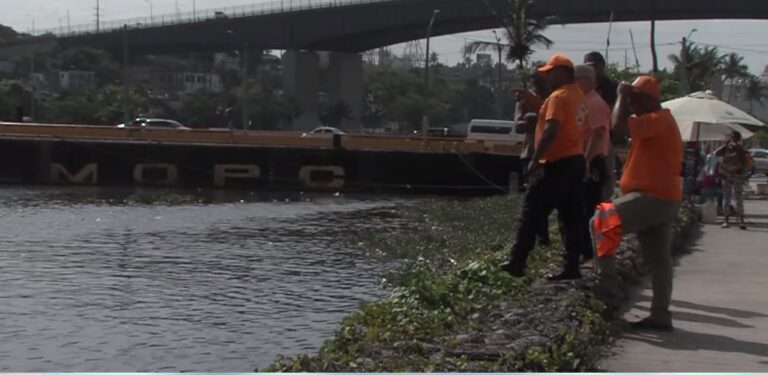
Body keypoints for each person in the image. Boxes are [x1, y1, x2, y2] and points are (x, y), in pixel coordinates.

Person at [607, 75, 683, 331]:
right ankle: (660, 315)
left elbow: (617, 129)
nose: (631, 105)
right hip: (664, 197)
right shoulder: (655, 120)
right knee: (659, 260)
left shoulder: (656, 120)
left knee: (602, 221)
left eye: (634, 99)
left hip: (652, 196)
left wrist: (620, 95)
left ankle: (608, 295)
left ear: (647, 100)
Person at [502, 53, 587, 281]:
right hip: (575, 161)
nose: (547, 77)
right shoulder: (577, 95)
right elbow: (554, 116)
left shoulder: (558, 97)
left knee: (532, 212)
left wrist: (536, 159)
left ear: (563, 73)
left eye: (550, 72)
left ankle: (516, 262)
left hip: (556, 163)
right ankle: (572, 266)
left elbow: (551, 130)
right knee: (570, 217)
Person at [575, 64, 612, 267]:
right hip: (586, 159)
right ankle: (584, 253)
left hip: (592, 161)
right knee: (581, 208)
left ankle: (590, 255)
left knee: (588, 209)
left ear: (588, 80)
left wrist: (585, 162)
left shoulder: (594, 103)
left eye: (576, 79)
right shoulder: (584, 101)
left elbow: (597, 134)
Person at [515, 67, 552, 246]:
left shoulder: (555, 98)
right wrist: (534, 121)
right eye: (536, 79)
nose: (539, 82)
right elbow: (518, 125)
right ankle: (541, 237)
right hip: (530, 153)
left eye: (542, 79)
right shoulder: (524, 100)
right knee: (533, 197)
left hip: (553, 154)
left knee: (550, 198)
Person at [584, 52, 620, 201]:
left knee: (605, 178)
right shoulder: (582, 88)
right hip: (584, 138)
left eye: (595, 67)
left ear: (602, 67)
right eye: (588, 68)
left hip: (603, 138)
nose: (592, 71)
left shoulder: (611, 88)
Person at [715, 131, 750, 229]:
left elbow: (744, 163)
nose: (732, 140)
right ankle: (726, 220)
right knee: (727, 197)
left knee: (738, 197)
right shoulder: (725, 148)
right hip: (726, 175)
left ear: (738, 139)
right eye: (731, 137)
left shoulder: (741, 149)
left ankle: (741, 220)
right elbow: (716, 153)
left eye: (734, 138)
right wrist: (725, 145)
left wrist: (737, 168)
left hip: (737, 175)